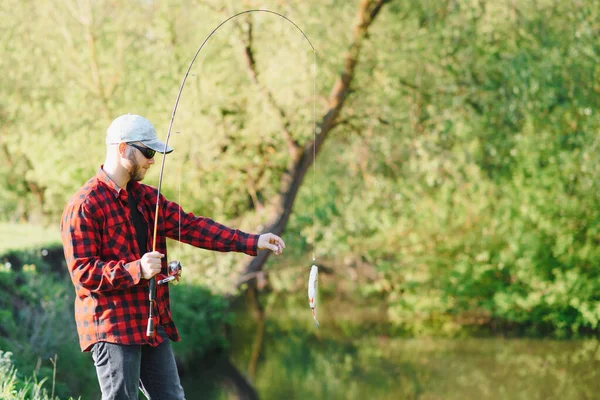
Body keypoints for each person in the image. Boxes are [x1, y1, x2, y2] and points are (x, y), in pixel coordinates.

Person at [60, 114, 285, 400]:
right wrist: (137, 269)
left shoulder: (147, 198)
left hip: (152, 321)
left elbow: (193, 227)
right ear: (123, 148)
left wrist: (252, 241)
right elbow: (83, 272)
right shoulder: (84, 204)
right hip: (113, 328)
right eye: (148, 152)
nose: (152, 161)